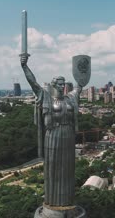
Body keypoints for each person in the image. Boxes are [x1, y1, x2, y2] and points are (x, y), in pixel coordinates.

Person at [21, 54, 82, 207]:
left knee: (68, 167)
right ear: (54, 85)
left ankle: (67, 200)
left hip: (68, 135)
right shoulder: (46, 97)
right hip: (52, 135)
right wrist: (24, 66)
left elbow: (80, 85)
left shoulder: (70, 98)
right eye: (59, 84)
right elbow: (33, 82)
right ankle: (53, 201)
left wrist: (82, 68)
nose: (62, 87)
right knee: (53, 167)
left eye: (64, 84)